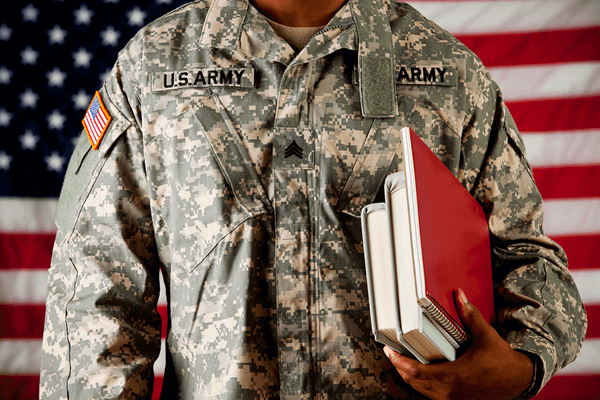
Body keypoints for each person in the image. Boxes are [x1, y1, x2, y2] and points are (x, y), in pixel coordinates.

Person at [40, 0, 587, 398]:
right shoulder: (153, 71)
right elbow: (94, 293)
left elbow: (528, 261)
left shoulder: (450, 76)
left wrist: (519, 368)